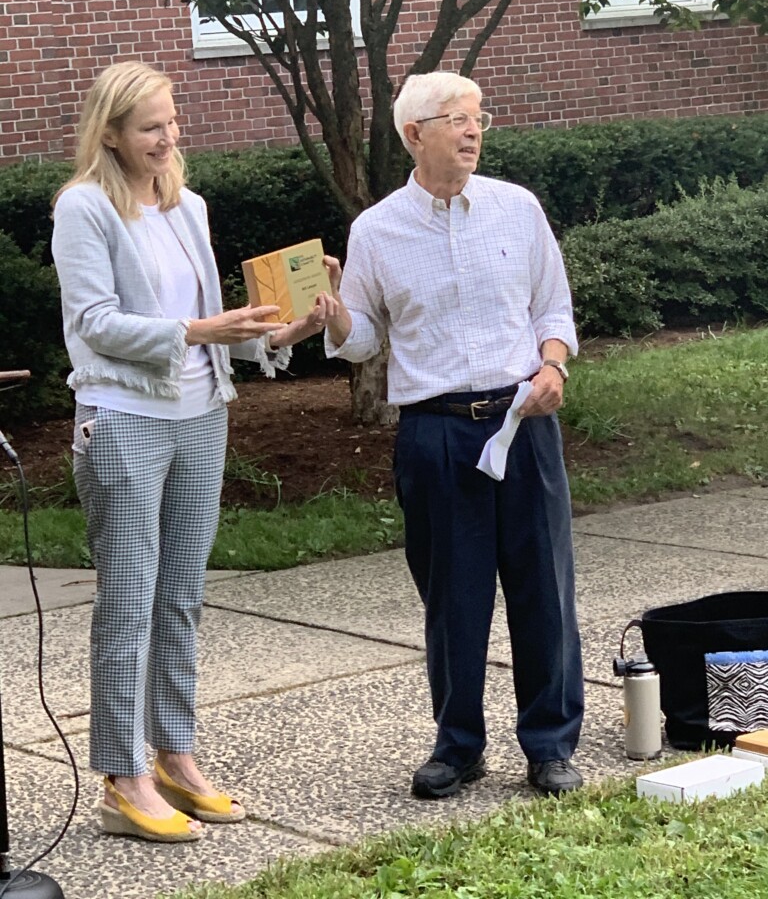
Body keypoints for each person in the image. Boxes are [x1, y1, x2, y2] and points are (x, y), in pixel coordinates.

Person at [51, 60, 338, 843]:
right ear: (109, 133)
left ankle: (175, 754)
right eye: (150, 127)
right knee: (129, 603)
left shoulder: (188, 207)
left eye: (172, 122)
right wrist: (196, 332)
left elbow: (221, 333)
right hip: (122, 420)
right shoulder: (84, 209)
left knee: (180, 595)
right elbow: (94, 324)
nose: (168, 138)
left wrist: (294, 325)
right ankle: (122, 775)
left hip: (201, 413)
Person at [323, 72, 584, 800]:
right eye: (456, 120)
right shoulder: (377, 230)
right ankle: (459, 745)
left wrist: (554, 365)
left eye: (479, 120)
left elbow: (551, 308)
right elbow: (365, 336)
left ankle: (550, 744)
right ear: (415, 135)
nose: (473, 132)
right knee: (453, 598)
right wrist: (337, 317)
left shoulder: (516, 210)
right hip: (436, 435)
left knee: (544, 590)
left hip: (523, 422)